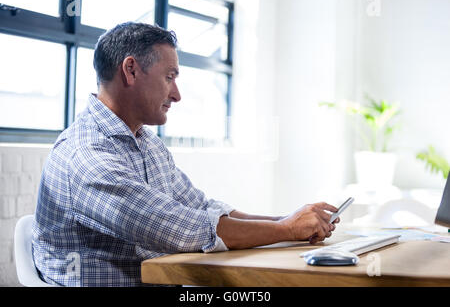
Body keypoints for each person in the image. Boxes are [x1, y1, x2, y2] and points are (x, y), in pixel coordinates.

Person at [32, 22, 339, 287]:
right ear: (131, 70)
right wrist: (287, 228)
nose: (177, 94)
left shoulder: (146, 142)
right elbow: (181, 229)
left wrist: (289, 220)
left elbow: (201, 207)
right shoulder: (87, 155)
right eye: (170, 77)